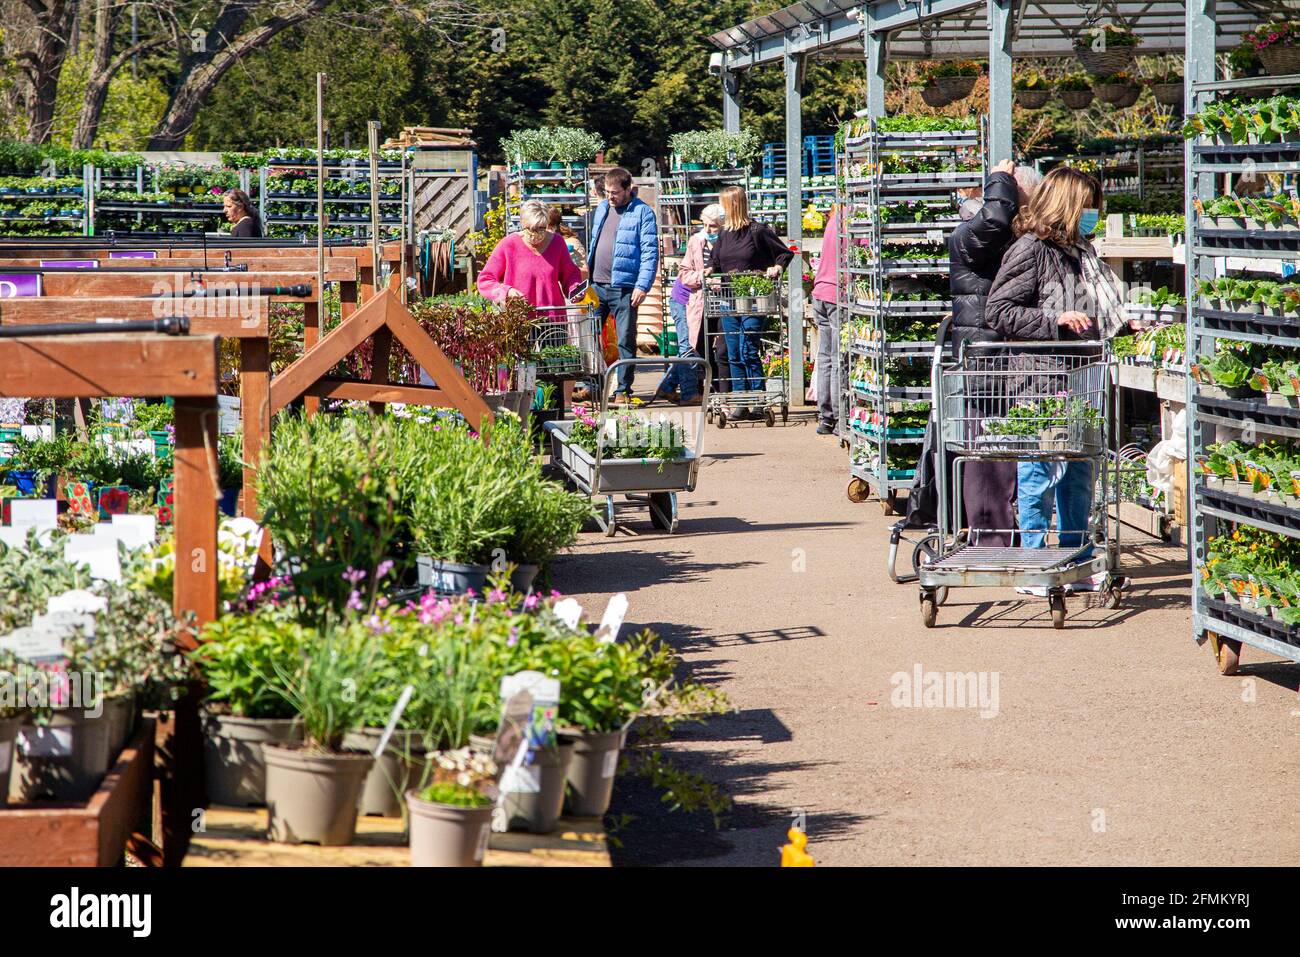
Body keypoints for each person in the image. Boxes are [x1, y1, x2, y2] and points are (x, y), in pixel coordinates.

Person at [986, 166, 1128, 586]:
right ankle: (1034, 562)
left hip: (1079, 377)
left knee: (1078, 471)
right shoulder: (1030, 249)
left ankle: (1076, 559)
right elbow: (999, 311)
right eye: (1088, 207)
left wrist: (1115, 323)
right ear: (1067, 206)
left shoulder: (1079, 250)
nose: (1093, 215)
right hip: (1040, 380)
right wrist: (1055, 319)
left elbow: (1090, 309)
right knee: (1039, 473)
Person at [945, 159, 1041, 546]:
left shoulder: (1000, 235)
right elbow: (994, 222)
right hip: (986, 355)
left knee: (1004, 448)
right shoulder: (971, 233)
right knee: (987, 450)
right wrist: (1003, 178)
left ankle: (1006, 532)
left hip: (1007, 354)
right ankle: (992, 538)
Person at [707, 185, 793, 418]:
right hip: (728, 299)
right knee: (733, 351)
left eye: (724, 204)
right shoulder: (724, 234)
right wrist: (709, 271)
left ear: (734, 205)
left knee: (748, 349)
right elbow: (715, 261)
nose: (722, 209)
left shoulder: (757, 230)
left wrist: (777, 266)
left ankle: (758, 399)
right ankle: (740, 401)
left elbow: (784, 253)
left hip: (755, 298)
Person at [588, 167, 659, 401]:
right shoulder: (601, 209)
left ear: (629, 189)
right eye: (607, 192)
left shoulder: (642, 213)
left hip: (625, 287)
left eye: (615, 192)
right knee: (589, 337)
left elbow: (650, 252)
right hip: (597, 284)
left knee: (625, 340)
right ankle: (593, 385)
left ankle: (622, 390)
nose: (610, 196)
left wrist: (642, 285)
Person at [654, 204, 722, 407]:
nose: (708, 230)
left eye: (713, 226)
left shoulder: (725, 242)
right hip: (684, 299)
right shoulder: (697, 241)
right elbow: (684, 275)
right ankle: (689, 393)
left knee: (690, 345)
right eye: (705, 225)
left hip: (703, 301)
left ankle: (667, 387)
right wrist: (703, 277)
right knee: (688, 347)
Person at [476, 199, 584, 307]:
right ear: (522, 223)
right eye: (530, 229)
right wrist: (507, 291)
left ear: (547, 224)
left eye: (541, 228)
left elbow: (570, 275)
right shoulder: (508, 244)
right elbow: (485, 280)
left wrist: (575, 289)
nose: (535, 234)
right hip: (520, 318)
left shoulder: (557, 242)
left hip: (553, 318)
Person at [811, 203, 840, 435]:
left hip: (821, 291)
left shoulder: (834, 219)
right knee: (839, 357)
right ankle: (840, 417)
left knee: (825, 357)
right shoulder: (855, 221)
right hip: (837, 294)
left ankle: (826, 417)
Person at [548, 205, 588, 278]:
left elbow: (585, 273)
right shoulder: (539, 244)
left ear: (552, 227)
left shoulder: (571, 243)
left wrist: (568, 263)